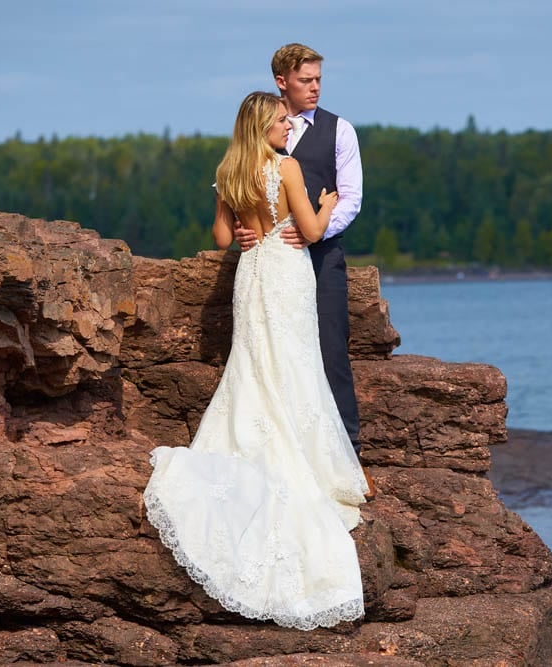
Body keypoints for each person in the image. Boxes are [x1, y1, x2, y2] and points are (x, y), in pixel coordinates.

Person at [144, 91, 370, 631]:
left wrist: (248, 229)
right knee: (295, 364)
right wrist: (325, 203)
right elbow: (312, 233)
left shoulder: (230, 170)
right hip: (289, 272)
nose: (289, 125)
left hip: (252, 273)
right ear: (263, 124)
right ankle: (310, 460)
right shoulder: (288, 167)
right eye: (281, 120)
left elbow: (225, 236)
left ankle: (253, 439)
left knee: (253, 363)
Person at [233, 45, 372, 498]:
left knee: (330, 348)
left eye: (318, 80)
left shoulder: (339, 130)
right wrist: (241, 228)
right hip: (269, 260)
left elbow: (350, 196)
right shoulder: (261, 126)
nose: (315, 87)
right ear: (281, 81)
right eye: (305, 80)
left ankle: (347, 453)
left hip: (322, 252)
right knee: (271, 352)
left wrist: (316, 230)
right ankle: (278, 450)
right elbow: (242, 187)